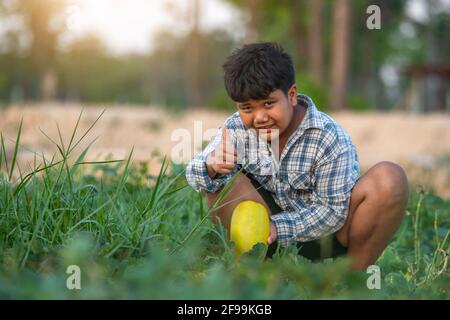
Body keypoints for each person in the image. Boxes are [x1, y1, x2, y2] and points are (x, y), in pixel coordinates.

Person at [185, 42, 409, 270]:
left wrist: (278, 227)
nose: (259, 117)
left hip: (328, 236)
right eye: (247, 108)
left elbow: (333, 212)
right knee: (221, 181)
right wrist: (210, 164)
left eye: (269, 104)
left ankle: (351, 277)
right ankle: (249, 273)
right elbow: (194, 176)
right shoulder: (234, 129)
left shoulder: (328, 136)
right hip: (264, 240)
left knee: (389, 178)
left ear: (291, 95)